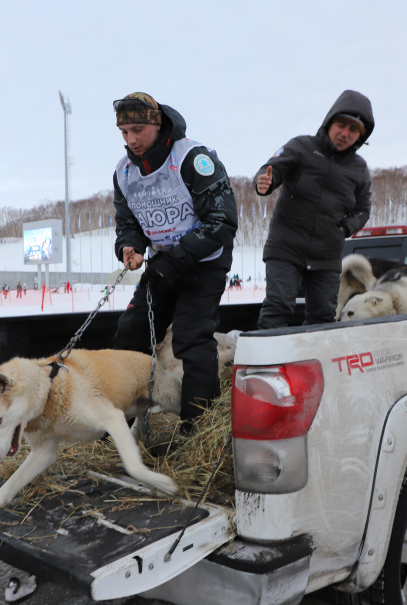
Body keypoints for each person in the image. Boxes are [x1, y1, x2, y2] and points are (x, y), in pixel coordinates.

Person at [110, 92, 238, 430]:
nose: (131, 139)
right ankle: (117, 422)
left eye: (137, 129)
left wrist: (178, 257)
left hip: (203, 262)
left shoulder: (191, 158)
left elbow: (222, 222)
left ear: (156, 124)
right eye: (124, 133)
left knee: (191, 337)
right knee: (130, 333)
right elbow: (129, 223)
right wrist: (130, 246)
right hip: (163, 264)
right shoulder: (124, 173)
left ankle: (196, 424)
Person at [253, 89, 375, 328]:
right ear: (330, 122)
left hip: (327, 254)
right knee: (279, 307)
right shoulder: (301, 146)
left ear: (360, 136)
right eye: (341, 125)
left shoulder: (359, 168)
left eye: (353, 130)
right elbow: (271, 170)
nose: (345, 133)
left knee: (323, 317)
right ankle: (264, 364)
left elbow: (363, 210)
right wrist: (263, 183)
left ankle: (315, 364)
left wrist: (343, 228)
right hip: (286, 246)